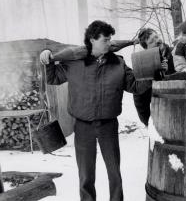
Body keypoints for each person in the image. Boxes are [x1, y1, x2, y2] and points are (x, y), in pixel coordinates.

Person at [40, 20, 151, 201]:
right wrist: (47, 59)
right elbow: (52, 78)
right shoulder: (74, 63)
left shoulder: (118, 64)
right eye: (105, 40)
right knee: (86, 174)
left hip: (108, 125)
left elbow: (135, 86)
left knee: (114, 172)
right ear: (92, 39)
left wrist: (151, 72)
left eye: (110, 40)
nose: (110, 44)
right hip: (83, 126)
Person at [133, 28, 176, 127]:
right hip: (160, 118)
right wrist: (148, 122)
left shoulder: (176, 53)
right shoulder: (142, 65)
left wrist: (169, 71)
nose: (157, 41)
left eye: (156, 37)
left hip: (182, 110)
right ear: (147, 49)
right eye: (151, 41)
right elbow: (139, 98)